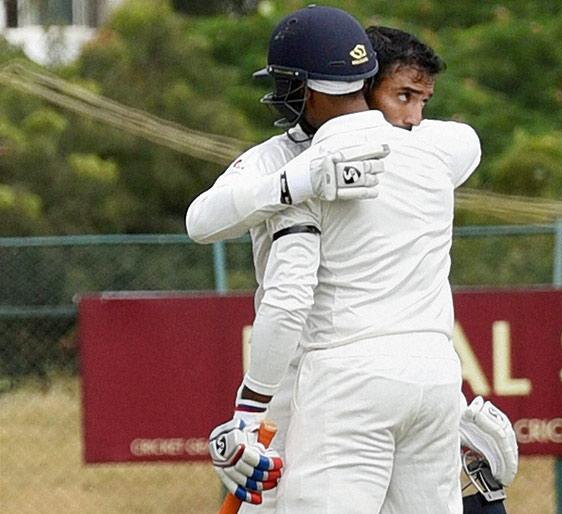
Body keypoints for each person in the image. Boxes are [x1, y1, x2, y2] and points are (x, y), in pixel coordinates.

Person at [186, 10, 517, 513]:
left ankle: (483, 501)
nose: (413, 117)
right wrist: (296, 179)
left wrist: (247, 412)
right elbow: (202, 219)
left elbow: (287, 297)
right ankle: (483, 499)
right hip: (432, 374)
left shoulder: (376, 149)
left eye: (418, 101)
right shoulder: (421, 155)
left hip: (333, 377)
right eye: (405, 98)